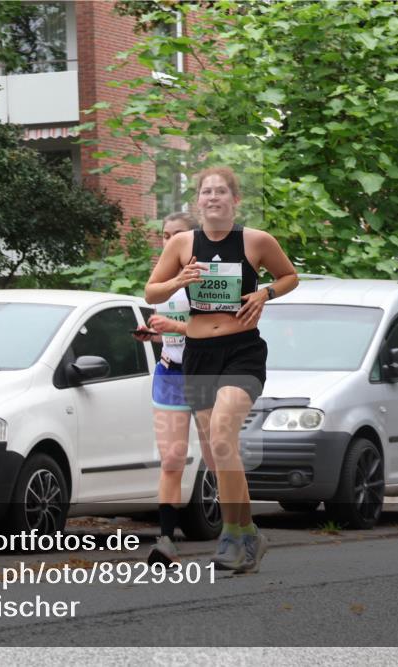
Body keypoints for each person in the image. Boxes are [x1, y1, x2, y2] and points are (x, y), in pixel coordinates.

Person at [145, 166, 298, 573]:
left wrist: (265, 292)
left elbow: (289, 276)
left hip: (241, 350)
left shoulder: (255, 241)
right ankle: (249, 533)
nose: (213, 198)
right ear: (197, 202)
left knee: (223, 432)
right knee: (217, 452)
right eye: (206, 192)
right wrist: (179, 280)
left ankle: (232, 535)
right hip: (197, 353)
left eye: (221, 192)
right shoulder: (181, 243)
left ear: (235, 200)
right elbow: (151, 290)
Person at [132, 211, 214, 566]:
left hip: (206, 375)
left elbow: (216, 327)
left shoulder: (210, 276)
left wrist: (175, 325)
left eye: (177, 235)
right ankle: (165, 540)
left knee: (217, 457)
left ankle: (239, 531)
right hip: (170, 374)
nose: (168, 242)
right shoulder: (162, 279)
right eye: (164, 235)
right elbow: (169, 325)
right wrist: (156, 334)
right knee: (172, 459)